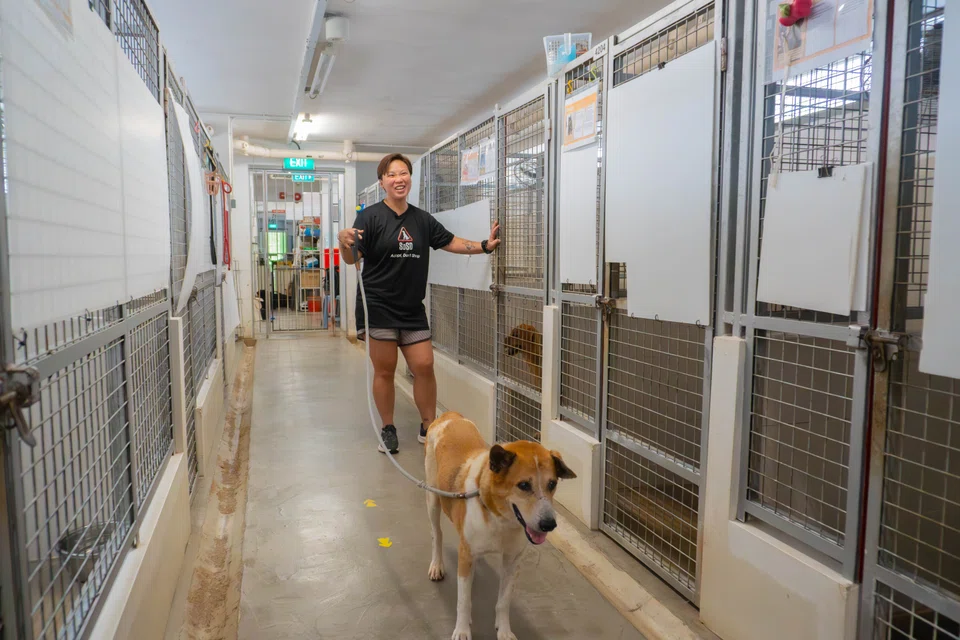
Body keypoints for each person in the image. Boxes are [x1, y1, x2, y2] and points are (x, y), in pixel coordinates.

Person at [338, 153, 500, 454]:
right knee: (384, 370)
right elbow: (352, 259)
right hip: (379, 306)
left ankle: (429, 427)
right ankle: (388, 428)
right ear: (382, 182)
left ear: (410, 179)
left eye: (404, 173)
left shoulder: (421, 219)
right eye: (392, 174)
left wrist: (483, 247)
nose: (399, 179)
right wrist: (342, 242)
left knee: (424, 365)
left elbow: (449, 241)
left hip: (412, 308)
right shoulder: (369, 217)